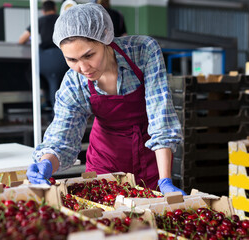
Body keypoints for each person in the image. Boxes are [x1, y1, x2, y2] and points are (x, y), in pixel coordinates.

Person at [26, 3, 186, 195]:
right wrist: (47, 162)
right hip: (105, 160)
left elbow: (160, 115)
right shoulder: (74, 82)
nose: (83, 68)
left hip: (151, 157)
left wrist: (165, 180)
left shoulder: (143, 51)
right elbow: (62, 137)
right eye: (72, 60)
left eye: (89, 55)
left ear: (105, 37)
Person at [19, 0, 68, 109]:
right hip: (63, 59)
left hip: (46, 61)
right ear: (55, 8)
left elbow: (21, 40)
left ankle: (43, 96)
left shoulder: (39, 21)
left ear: (43, 11)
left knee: (32, 72)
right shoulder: (62, 19)